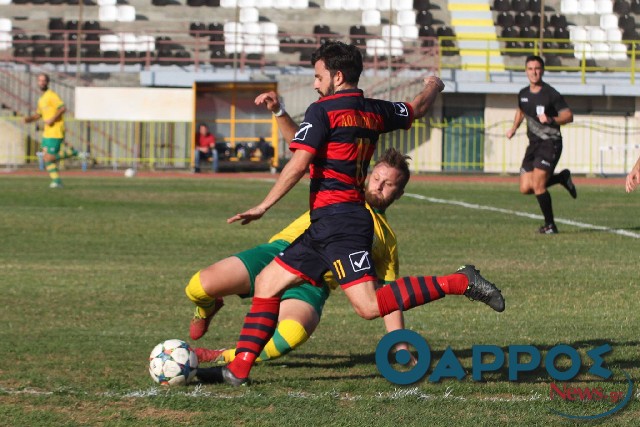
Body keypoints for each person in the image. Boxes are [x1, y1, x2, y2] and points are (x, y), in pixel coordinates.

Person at [206, 41, 504, 387]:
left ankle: (460, 281)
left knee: (368, 307)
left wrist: (263, 205)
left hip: (340, 223)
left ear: (336, 76)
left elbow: (299, 164)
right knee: (267, 282)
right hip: (328, 223)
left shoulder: (323, 110)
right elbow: (418, 109)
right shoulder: (374, 110)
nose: (315, 84)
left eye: (318, 77)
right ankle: (237, 370)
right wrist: (433, 85)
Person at [189, 148, 414, 370]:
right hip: (280, 252)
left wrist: (401, 347)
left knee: (291, 335)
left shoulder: (387, 240)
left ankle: (224, 356)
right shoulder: (342, 192)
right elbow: (303, 151)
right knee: (198, 287)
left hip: (314, 283)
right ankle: (206, 308)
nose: (379, 186)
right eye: (376, 178)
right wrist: (279, 111)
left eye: (389, 184)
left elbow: (387, 295)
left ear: (399, 193)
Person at [506, 55, 576, 234]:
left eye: (537, 68)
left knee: (538, 185)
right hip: (534, 144)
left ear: (542, 70)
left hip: (550, 143)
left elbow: (569, 115)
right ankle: (561, 178)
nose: (534, 72)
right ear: (526, 71)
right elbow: (521, 110)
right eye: (530, 69)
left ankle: (550, 226)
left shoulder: (551, 94)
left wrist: (552, 119)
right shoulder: (523, 94)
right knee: (525, 188)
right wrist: (514, 128)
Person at [24, 73, 80, 188]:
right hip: (47, 132)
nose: (42, 82)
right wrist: (28, 119)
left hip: (55, 131)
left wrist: (52, 119)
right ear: (37, 82)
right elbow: (38, 114)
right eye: (40, 80)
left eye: (44, 80)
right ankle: (57, 181)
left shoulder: (52, 95)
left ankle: (73, 153)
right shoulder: (42, 98)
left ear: (48, 82)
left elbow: (62, 108)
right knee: (46, 158)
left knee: (49, 157)